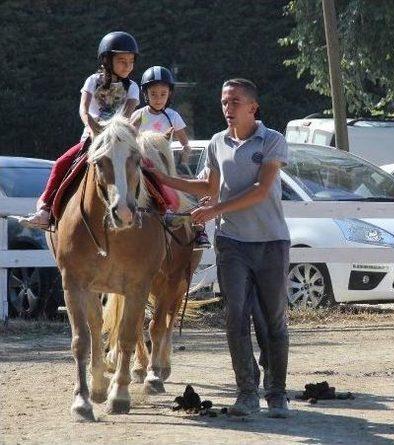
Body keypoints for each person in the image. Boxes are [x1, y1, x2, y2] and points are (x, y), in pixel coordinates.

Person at [147, 78, 290, 417]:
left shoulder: (272, 141)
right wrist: (162, 177)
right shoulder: (215, 142)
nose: (228, 108)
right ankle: (246, 392)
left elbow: (260, 189)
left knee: (273, 321)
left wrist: (214, 210)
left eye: (235, 102)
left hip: (271, 242)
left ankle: (277, 391)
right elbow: (207, 185)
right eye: (225, 102)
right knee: (235, 316)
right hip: (231, 244)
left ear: (252, 107)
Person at [20, 31, 140, 228]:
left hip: (118, 140)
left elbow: (127, 112)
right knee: (61, 163)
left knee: (147, 169)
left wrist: (113, 131)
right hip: (92, 139)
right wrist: (91, 127)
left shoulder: (133, 87)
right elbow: (83, 109)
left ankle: (163, 211)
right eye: (121, 61)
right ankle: (45, 210)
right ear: (107, 60)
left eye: (131, 61)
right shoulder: (93, 81)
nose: (128, 66)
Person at [132, 65, 210, 249]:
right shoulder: (139, 115)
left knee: (187, 193)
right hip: (142, 164)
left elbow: (184, 142)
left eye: (162, 94)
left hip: (164, 164)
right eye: (153, 94)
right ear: (146, 95)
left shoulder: (172, 116)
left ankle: (199, 229)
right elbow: (130, 138)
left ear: (169, 95)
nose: (158, 99)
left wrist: (185, 153)